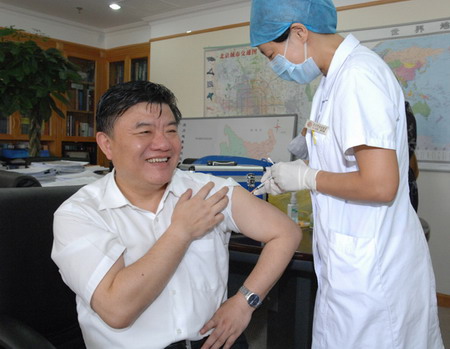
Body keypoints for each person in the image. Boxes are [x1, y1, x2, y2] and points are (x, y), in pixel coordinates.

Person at [250, 0, 444, 348]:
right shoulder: (331, 79)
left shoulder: (358, 76)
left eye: (270, 55)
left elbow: (380, 185)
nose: (274, 67)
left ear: (298, 32)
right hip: (350, 262)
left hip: (374, 271)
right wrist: (310, 146)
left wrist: (308, 177)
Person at [51, 81, 301, 349]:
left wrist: (245, 301)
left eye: (171, 130)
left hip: (213, 341)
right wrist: (181, 232)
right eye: (144, 131)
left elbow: (285, 232)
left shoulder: (208, 190)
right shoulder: (79, 214)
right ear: (107, 144)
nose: (163, 144)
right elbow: (117, 311)